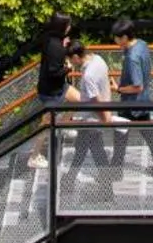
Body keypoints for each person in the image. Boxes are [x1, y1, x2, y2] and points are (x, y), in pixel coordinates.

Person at [110, 17, 153, 176]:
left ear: (125, 38)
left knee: (121, 135)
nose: (115, 40)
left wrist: (118, 89)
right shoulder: (141, 44)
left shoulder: (131, 58)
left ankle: (115, 171)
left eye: (117, 37)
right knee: (148, 134)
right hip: (143, 100)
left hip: (131, 103)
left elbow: (137, 86)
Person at [66, 39, 117, 176]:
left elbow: (96, 101)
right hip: (95, 118)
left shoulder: (88, 75)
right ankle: (69, 180)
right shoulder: (99, 59)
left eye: (71, 60)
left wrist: (105, 119)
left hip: (92, 119)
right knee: (82, 149)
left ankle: (106, 189)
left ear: (76, 57)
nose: (71, 64)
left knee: (97, 154)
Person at [28, 11, 72, 169]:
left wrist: (64, 44)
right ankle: (34, 156)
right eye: (68, 25)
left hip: (57, 87)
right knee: (46, 124)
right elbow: (54, 71)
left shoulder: (50, 38)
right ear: (63, 27)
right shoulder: (56, 47)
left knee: (79, 100)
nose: (70, 27)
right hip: (51, 92)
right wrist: (68, 68)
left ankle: (64, 126)